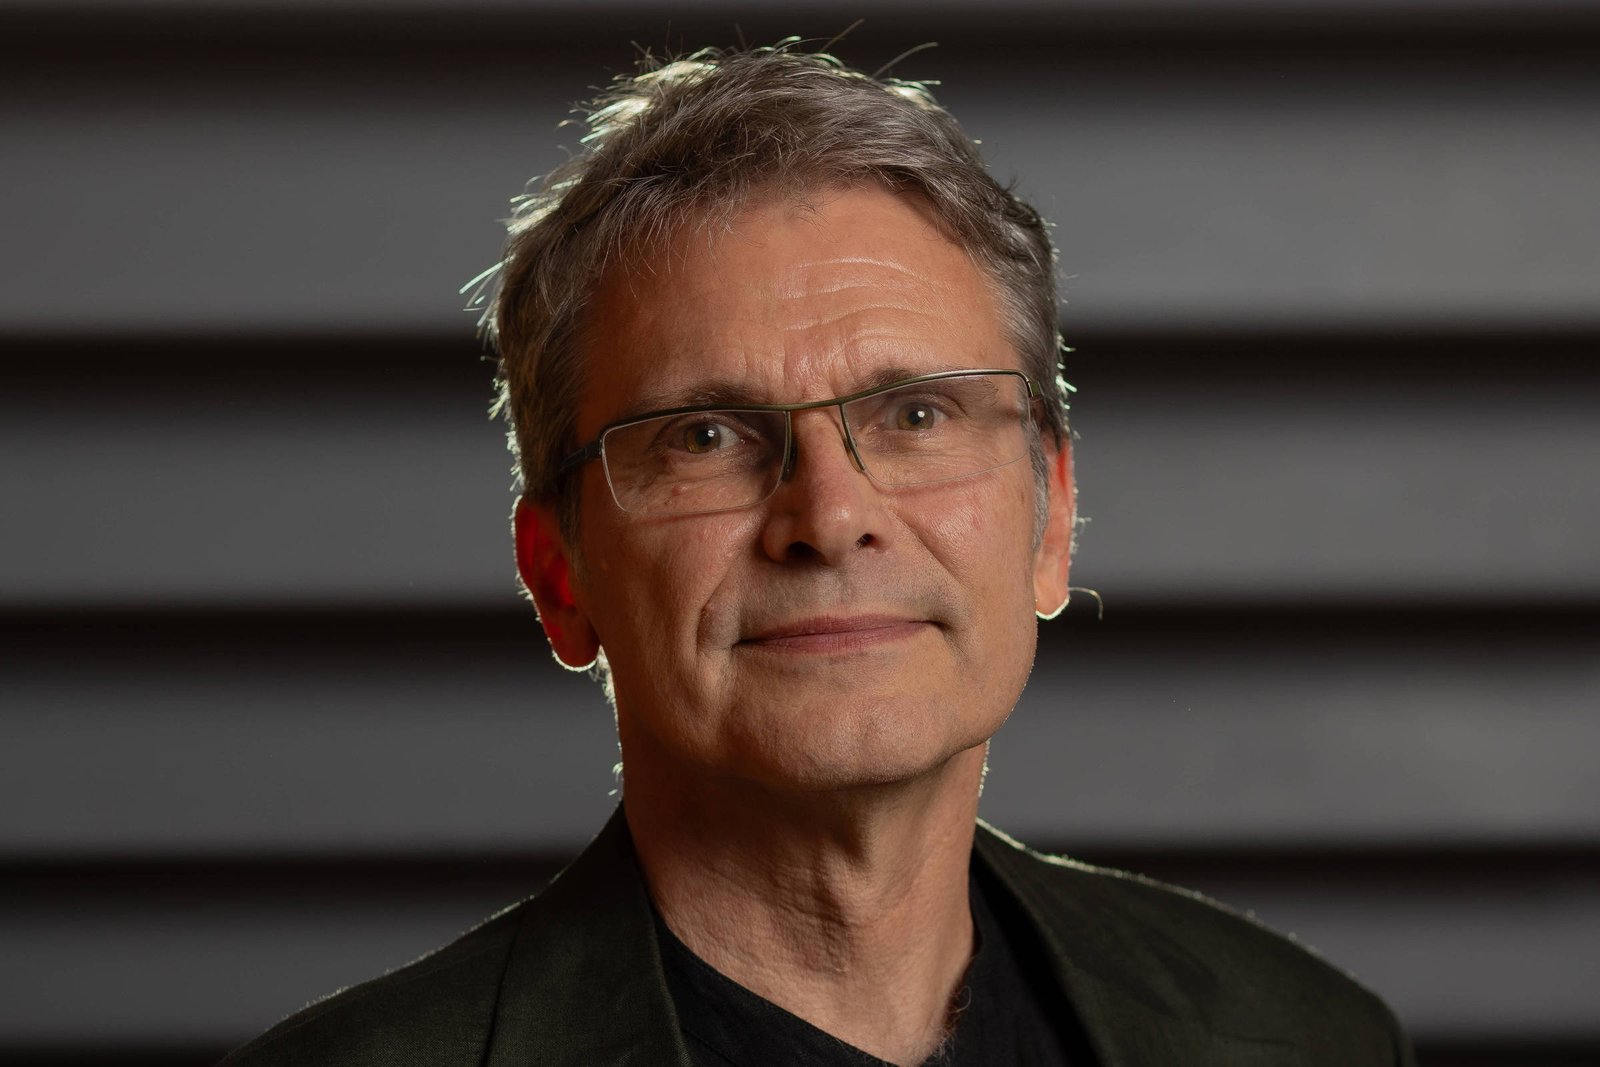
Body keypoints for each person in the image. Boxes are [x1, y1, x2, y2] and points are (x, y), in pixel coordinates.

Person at [222, 43, 1414, 1066]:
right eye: (703, 435)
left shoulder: (1304, 1037)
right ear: (558, 574)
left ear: (1051, 519)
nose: (831, 516)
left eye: (917, 415)